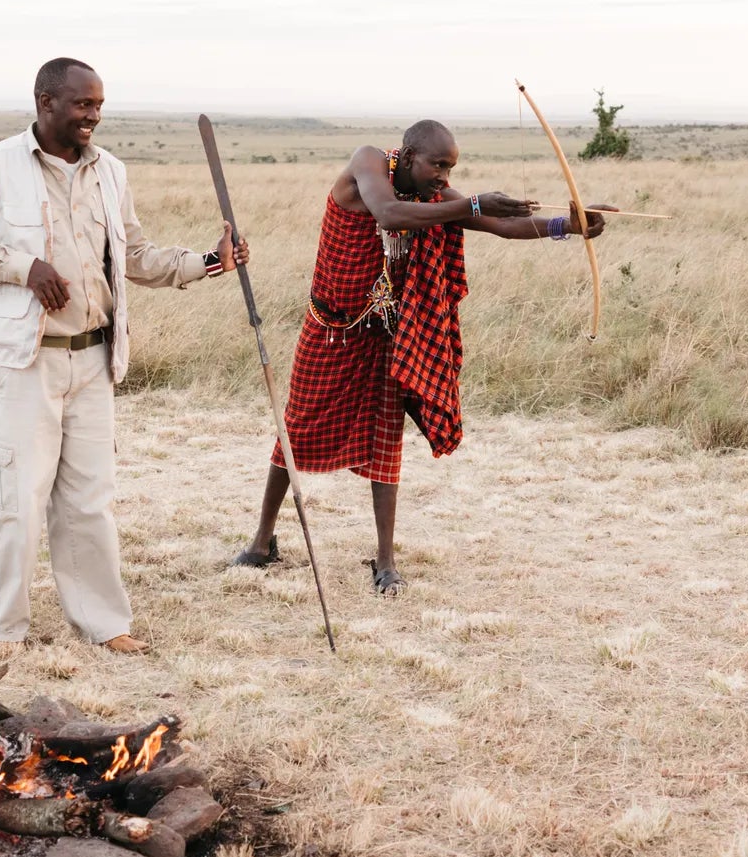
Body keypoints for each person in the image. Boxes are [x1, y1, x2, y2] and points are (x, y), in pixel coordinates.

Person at [0, 58, 246, 654]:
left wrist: (207, 263)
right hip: (24, 361)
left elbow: (132, 254)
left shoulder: (111, 173)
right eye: (83, 104)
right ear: (45, 102)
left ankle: (104, 625)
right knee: (18, 499)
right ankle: (5, 630)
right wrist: (23, 268)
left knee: (90, 502)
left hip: (95, 359)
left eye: (99, 105)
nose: (93, 116)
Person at [232, 120, 605, 593]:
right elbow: (388, 215)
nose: (444, 175)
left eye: (451, 167)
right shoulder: (369, 162)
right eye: (438, 164)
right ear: (408, 157)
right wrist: (468, 203)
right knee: (296, 428)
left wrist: (567, 226)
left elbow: (500, 224)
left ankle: (385, 560)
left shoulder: (437, 195)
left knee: (386, 440)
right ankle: (262, 542)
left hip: (386, 333)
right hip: (329, 329)